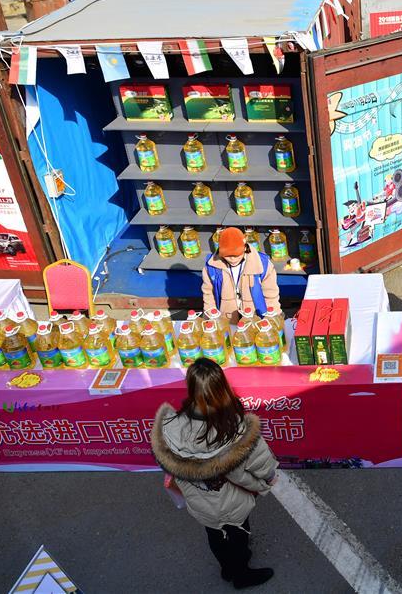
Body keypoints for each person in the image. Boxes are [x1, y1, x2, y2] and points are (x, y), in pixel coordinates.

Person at [151, 358, 278, 589]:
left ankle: (227, 569)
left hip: (199, 502)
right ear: (222, 387)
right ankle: (241, 576)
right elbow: (262, 465)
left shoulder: (170, 426)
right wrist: (267, 480)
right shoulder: (236, 427)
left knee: (214, 536)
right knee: (239, 536)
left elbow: (163, 461)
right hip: (231, 502)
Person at [202, 227, 280, 324]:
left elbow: (271, 295)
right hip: (226, 318)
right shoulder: (211, 266)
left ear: (245, 247)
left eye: (237, 255)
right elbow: (208, 294)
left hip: (255, 317)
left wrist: (273, 318)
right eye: (228, 255)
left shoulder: (262, 264)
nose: (233, 259)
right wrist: (210, 318)